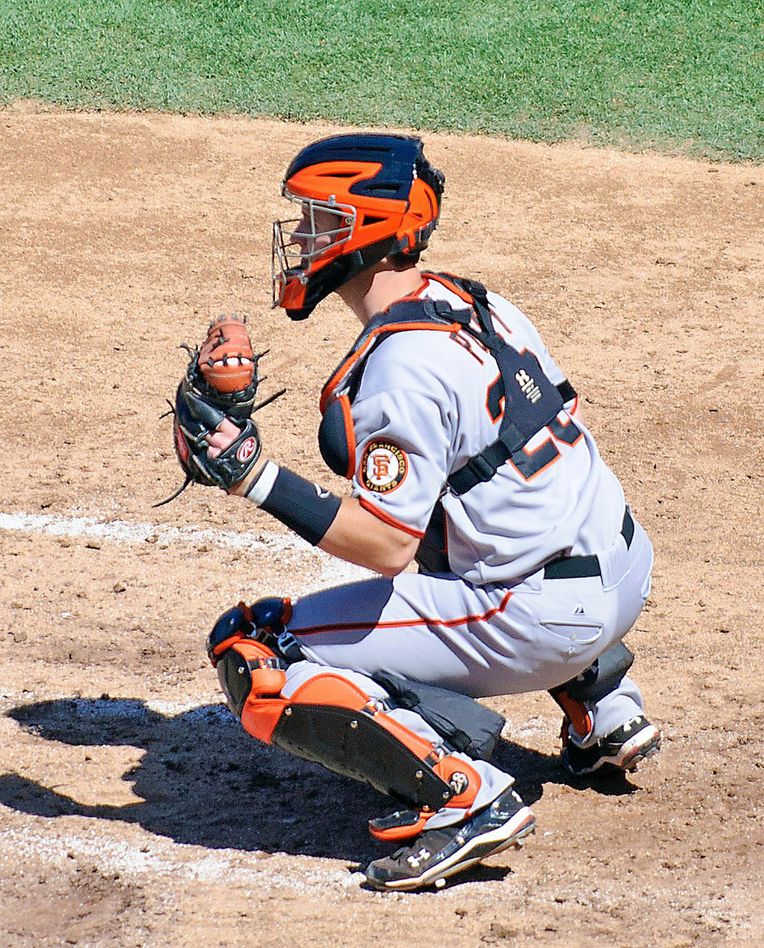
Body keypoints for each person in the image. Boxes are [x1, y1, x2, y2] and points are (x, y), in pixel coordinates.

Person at [203, 133, 661, 891]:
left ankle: (464, 802)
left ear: (365, 231)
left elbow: (384, 544)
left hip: (545, 616)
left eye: (318, 220)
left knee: (260, 653)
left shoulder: (402, 365)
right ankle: (603, 706)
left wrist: (253, 477)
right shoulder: (472, 298)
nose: (300, 238)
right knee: (470, 510)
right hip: (622, 567)